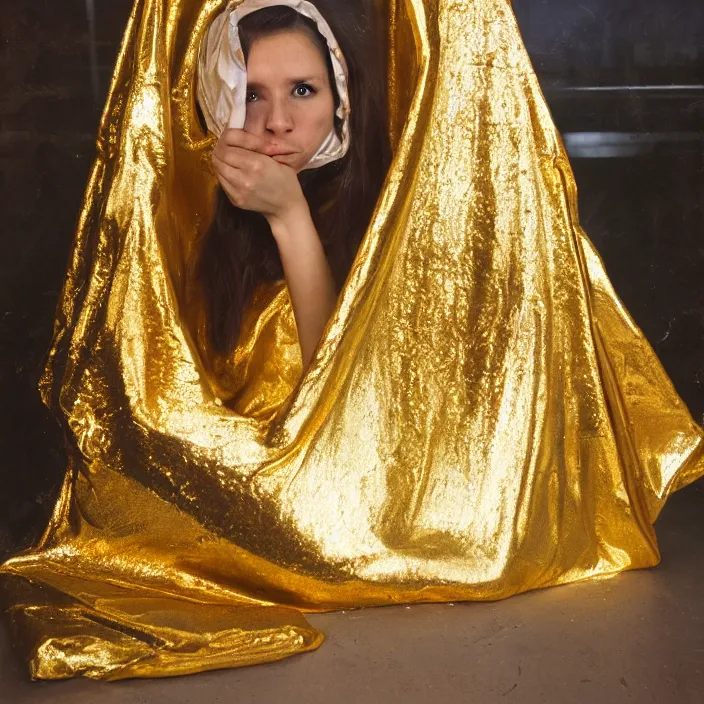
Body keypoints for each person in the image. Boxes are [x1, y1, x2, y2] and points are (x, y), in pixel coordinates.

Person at [1, 0, 703, 682]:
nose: (277, 121)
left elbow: (348, 417)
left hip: (362, 480)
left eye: (303, 90)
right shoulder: (185, 221)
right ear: (214, 102)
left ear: (339, 99)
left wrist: (289, 216)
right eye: (250, 94)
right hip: (252, 472)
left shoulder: (391, 208)